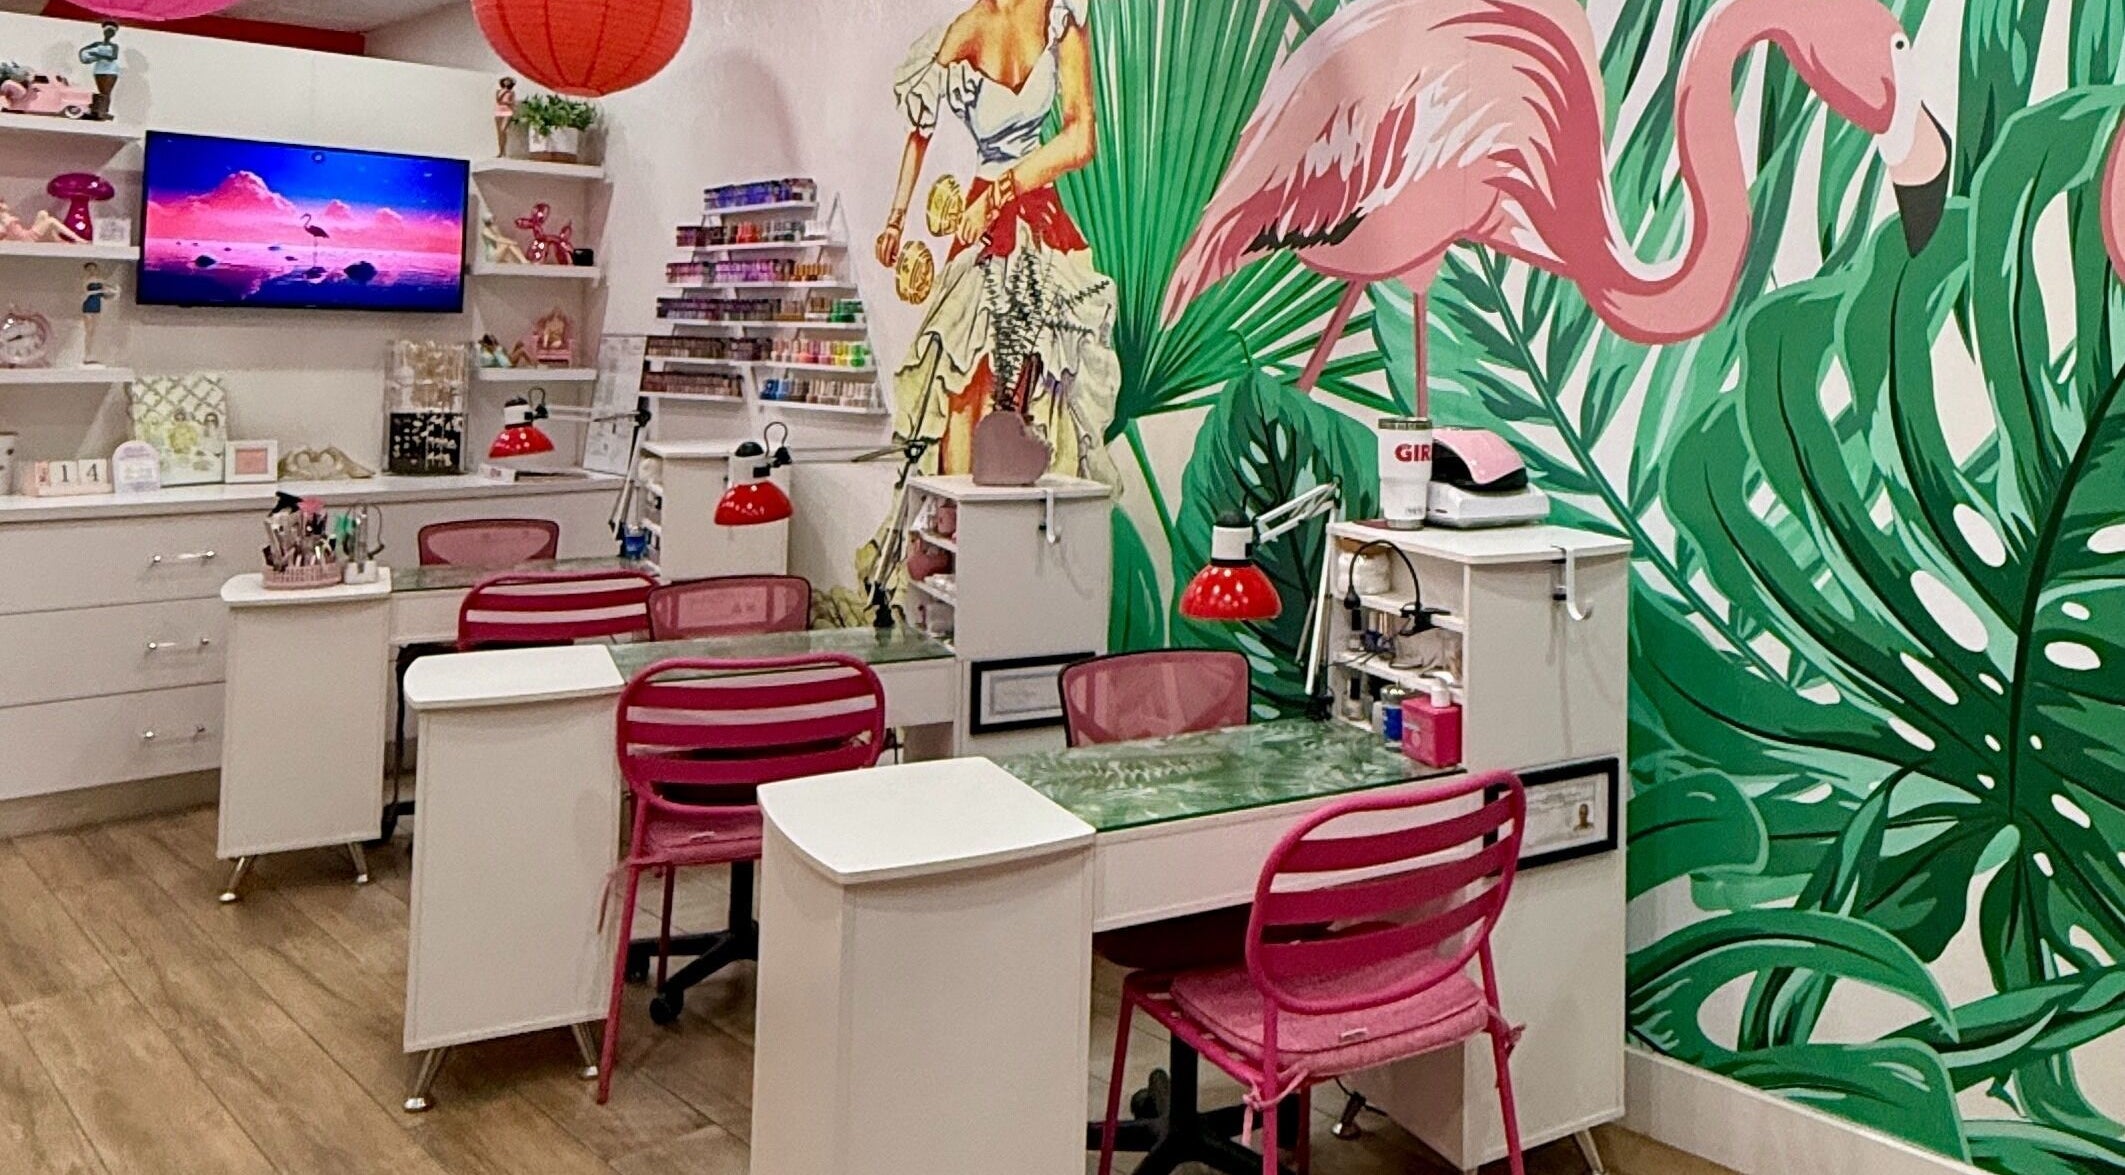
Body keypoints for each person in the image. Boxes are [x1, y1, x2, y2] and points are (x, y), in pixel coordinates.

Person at [853, 0, 1119, 611]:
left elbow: (1081, 136)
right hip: (979, 228)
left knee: (1039, 393)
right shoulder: (965, 29)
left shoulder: (1061, 17)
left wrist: (1003, 188)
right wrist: (896, 219)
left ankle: (1032, 581)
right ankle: (952, 572)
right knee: (963, 391)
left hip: (1036, 217)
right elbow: (919, 131)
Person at [77, 23, 120, 122]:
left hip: (110, 70)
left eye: (111, 32)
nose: (109, 34)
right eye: (107, 31)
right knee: (101, 92)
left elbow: (112, 57)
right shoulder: (97, 44)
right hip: (99, 69)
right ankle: (98, 111)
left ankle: (103, 112)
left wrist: (97, 55)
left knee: (106, 92)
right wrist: (87, 58)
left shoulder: (114, 46)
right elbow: (84, 51)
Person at [81, 262, 117, 366]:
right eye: (89, 269)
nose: (92, 271)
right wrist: (99, 291)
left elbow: (105, 293)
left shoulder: (101, 281)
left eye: (93, 268)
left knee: (95, 331)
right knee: (89, 331)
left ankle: (93, 353)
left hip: (97, 306)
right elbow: (86, 293)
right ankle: (86, 354)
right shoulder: (86, 281)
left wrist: (112, 293)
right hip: (88, 305)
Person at [494, 77, 518, 156]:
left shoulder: (512, 92)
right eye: (505, 81)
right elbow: (498, 100)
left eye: (508, 81)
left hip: (507, 112)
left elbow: (512, 102)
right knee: (500, 133)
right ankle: (501, 151)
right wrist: (504, 93)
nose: (506, 82)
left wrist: (506, 102)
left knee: (503, 130)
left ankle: (503, 150)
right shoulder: (498, 91)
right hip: (498, 112)